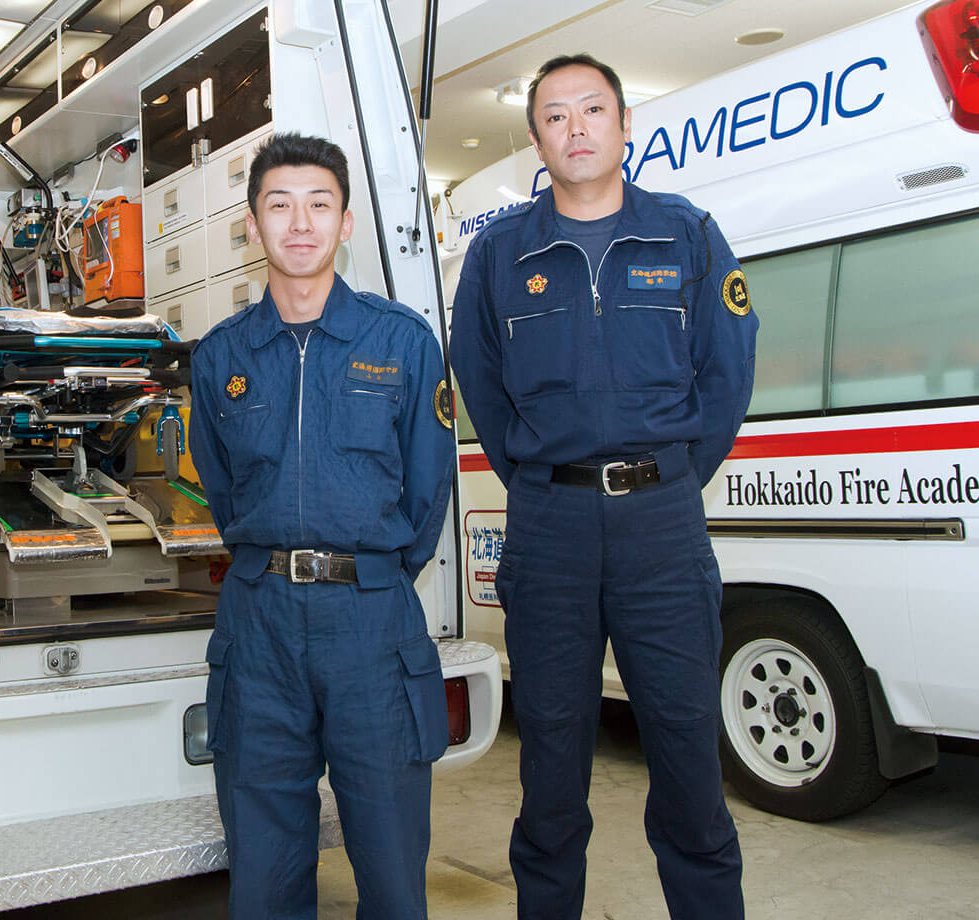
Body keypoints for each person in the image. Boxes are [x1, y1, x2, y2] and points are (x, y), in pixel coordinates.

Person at [449, 53, 758, 920]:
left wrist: (665, 480)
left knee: (690, 755)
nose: (576, 127)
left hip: (662, 528)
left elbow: (727, 375)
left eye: (593, 110)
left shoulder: (688, 236)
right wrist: (547, 481)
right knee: (549, 763)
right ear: (536, 139)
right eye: (555, 115)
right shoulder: (500, 255)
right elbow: (481, 383)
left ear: (627, 128)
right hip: (550, 529)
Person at [189, 132, 456, 919]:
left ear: (345, 224)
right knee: (264, 875)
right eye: (279, 205)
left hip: (372, 624)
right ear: (252, 225)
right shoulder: (221, 357)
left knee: (392, 869)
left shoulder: (402, 343)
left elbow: (426, 493)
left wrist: (365, 575)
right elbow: (222, 487)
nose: (299, 223)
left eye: (318, 204)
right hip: (260, 623)